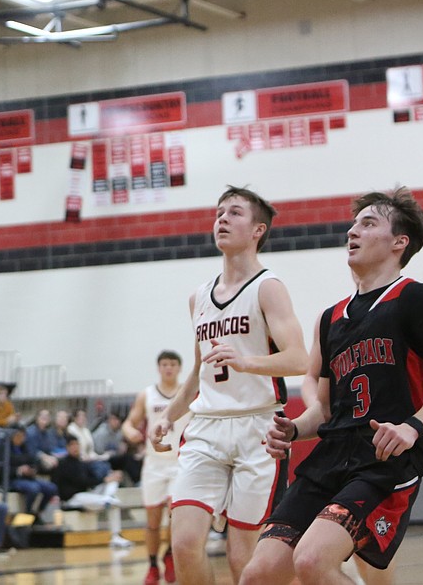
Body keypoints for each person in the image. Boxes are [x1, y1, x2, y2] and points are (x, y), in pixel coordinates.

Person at [239, 188, 423, 585]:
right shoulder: (332, 319)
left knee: (312, 561)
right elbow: (325, 411)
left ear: (400, 242)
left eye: (368, 223)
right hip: (330, 458)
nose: (352, 230)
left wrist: (412, 427)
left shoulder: (415, 298)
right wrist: (295, 430)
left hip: (383, 461)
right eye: (353, 223)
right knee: (258, 574)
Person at [151, 186, 308, 585]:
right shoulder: (199, 297)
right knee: (184, 542)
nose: (221, 219)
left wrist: (247, 361)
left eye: (234, 213)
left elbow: (298, 358)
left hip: (258, 428)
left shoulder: (268, 286)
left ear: (258, 230)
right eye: (219, 212)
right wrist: (168, 416)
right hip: (206, 427)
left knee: (245, 559)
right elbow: (199, 372)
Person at [122, 350, 188, 585]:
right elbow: (129, 423)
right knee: (152, 520)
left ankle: (169, 554)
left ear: (179, 368)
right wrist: (131, 433)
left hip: (180, 463)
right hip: (154, 464)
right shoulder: (146, 395)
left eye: (172, 364)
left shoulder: (187, 392)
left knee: (175, 514)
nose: (168, 368)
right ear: (158, 367)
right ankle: (152, 565)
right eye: (164, 364)